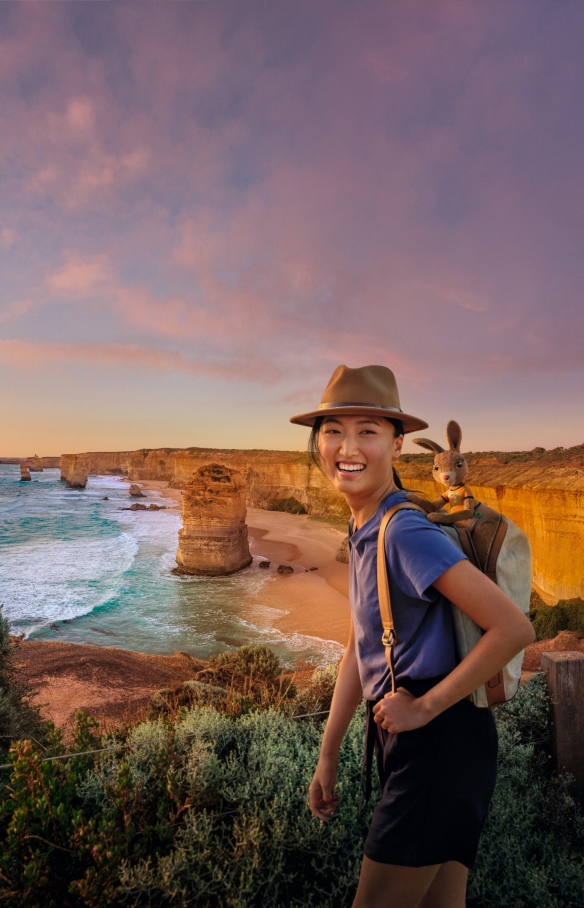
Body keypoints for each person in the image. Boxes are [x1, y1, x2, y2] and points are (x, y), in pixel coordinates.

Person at [290, 364, 535, 908]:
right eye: (333, 430)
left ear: (398, 444)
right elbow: (361, 645)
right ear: (318, 441)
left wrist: (425, 707)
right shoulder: (363, 526)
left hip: (436, 744)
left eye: (368, 431)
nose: (346, 446)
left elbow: (514, 628)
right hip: (437, 747)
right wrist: (328, 753)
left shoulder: (403, 530)